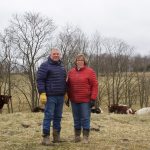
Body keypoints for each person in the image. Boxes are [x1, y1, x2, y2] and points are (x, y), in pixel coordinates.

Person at [37, 48, 66, 145]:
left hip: (60, 96)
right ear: (50, 55)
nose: (56, 55)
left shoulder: (62, 66)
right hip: (50, 96)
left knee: (58, 117)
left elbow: (64, 80)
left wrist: (66, 92)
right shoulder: (45, 65)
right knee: (48, 116)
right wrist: (42, 93)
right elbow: (40, 80)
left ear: (60, 55)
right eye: (54, 54)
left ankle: (56, 137)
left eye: (58, 54)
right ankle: (46, 138)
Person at [67, 54, 98, 143]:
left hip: (86, 100)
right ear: (75, 62)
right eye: (78, 60)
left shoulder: (90, 72)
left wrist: (93, 98)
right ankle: (77, 136)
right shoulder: (71, 72)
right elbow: (68, 85)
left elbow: (95, 85)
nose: (79, 61)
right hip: (74, 100)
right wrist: (67, 97)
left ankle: (85, 137)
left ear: (84, 61)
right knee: (76, 118)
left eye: (81, 60)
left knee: (85, 118)